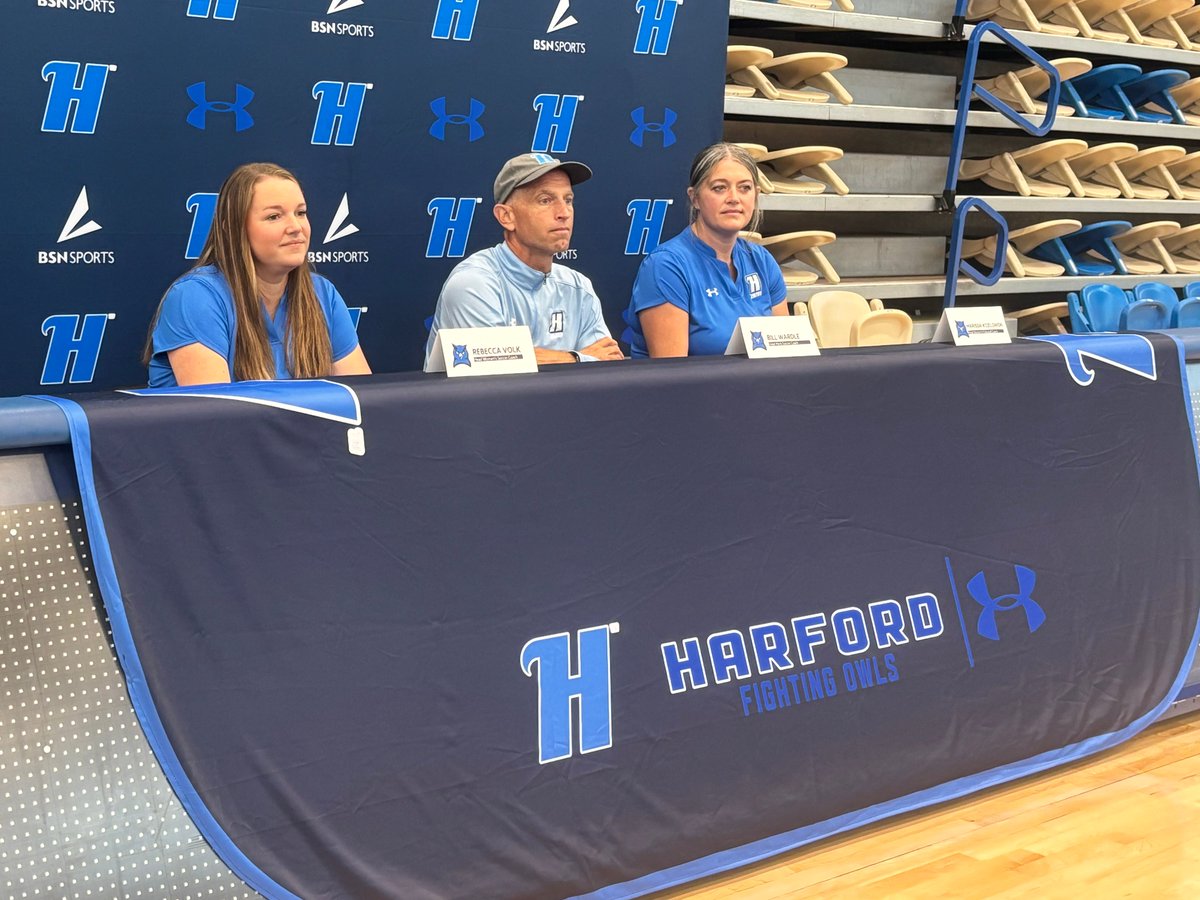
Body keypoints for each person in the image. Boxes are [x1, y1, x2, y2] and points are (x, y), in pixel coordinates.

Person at [145, 162, 371, 387]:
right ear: (233, 228)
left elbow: (360, 401)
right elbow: (217, 416)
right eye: (274, 216)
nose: (296, 227)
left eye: (300, 213)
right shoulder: (195, 297)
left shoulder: (323, 293)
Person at [424, 153, 623, 368]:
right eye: (545, 200)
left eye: (568, 200)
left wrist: (527, 357)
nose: (563, 212)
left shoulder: (578, 287)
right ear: (506, 216)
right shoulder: (474, 282)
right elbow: (492, 369)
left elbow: (606, 364)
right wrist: (577, 358)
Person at [624, 143, 788, 357]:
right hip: (694, 390)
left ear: (755, 196)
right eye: (719, 187)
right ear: (695, 198)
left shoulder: (762, 261)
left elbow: (786, 353)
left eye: (744, 188)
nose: (734, 198)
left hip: (760, 388)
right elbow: (672, 376)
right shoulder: (665, 266)